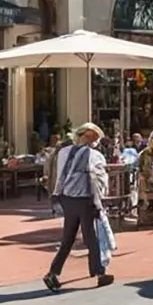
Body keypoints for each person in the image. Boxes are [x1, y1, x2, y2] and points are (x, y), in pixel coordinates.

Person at [43, 122, 112, 293]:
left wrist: (56, 195)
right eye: (90, 137)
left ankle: (52, 273)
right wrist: (99, 201)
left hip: (67, 198)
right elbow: (99, 180)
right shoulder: (94, 155)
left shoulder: (63, 152)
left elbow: (58, 175)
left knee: (68, 238)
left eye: (92, 138)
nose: (90, 141)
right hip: (85, 199)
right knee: (91, 236)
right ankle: (99, 273)